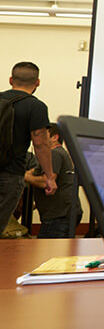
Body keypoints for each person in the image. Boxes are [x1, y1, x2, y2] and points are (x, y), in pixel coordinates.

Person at [0, 62, 55, 234]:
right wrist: (49, 176)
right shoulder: (36, 106)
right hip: (11, 172)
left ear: (10, 80)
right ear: (37, 82)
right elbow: (40, 144)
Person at [24, 124, 83, 238]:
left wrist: (21, 176)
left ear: (55, 137)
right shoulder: (58, 153)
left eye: (41, 135)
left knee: (49, 253)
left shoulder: (54, 154)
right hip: (63, 213)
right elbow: (35, 171)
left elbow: (45, 182)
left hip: (59, 216)